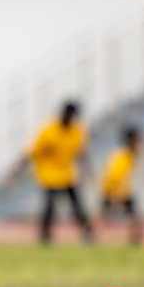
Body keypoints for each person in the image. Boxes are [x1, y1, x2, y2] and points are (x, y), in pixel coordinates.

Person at [17, 102, 95, 245]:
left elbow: (82, 153)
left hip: (67, 174)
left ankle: (87, 233)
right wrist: (15, 172)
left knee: (77, 206)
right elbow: (30, 153)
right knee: (49, 207)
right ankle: (45, 236)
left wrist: (89, 171)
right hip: (49, 175)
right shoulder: (48, 130)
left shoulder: (77, 131)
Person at [99, 127, 144, 246]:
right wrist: (114, 192)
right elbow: (114, 174)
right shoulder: (123, 154)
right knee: (104, 212)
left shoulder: (128, 153)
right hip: (114, 188)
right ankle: (91, 234)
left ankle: (136, 236)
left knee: (133, 212)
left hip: (120, 188)